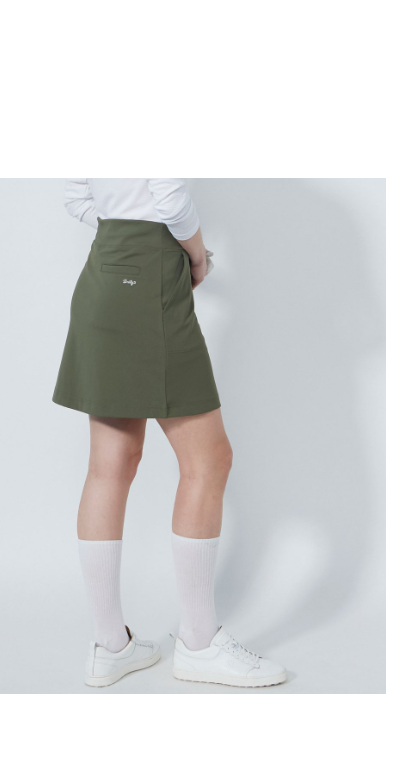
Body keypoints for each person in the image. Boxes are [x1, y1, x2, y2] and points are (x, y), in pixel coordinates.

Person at [53, 179, 286, 689]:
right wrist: (197, 258)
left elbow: (76, 197)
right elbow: (171, 198)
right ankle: (199, 644)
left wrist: (122, 231)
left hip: (104, 271)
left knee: (110, 464)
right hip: (151, 278)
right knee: (208, 460)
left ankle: (110, 646)